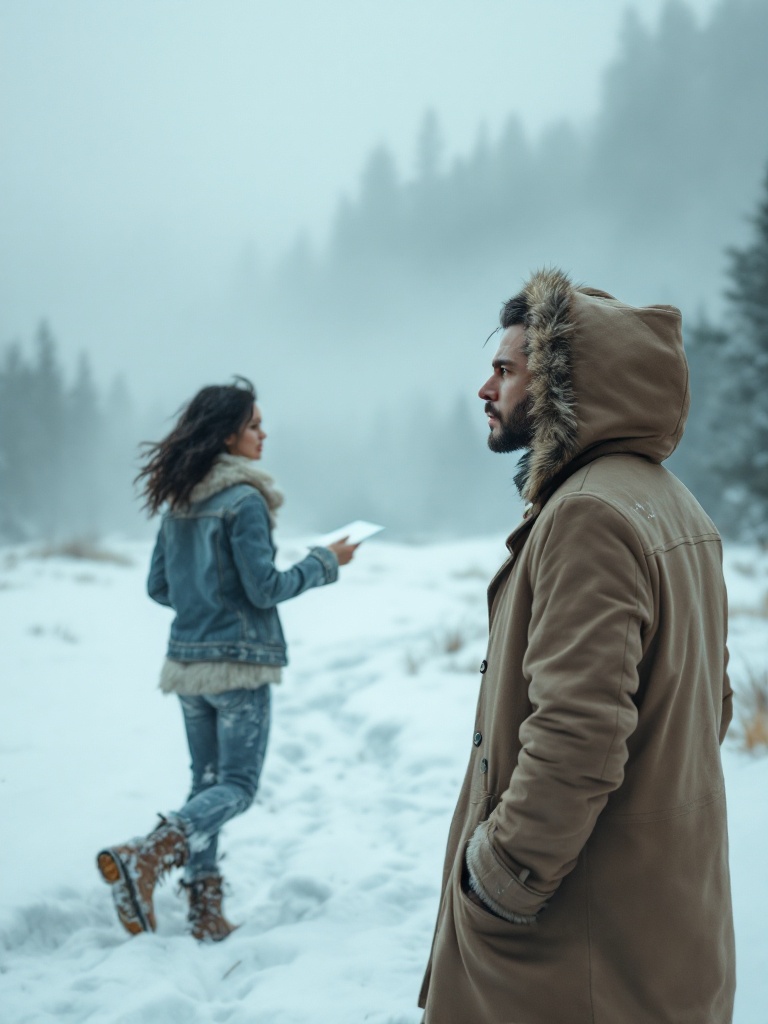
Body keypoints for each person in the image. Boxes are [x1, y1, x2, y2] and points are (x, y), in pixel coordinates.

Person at [419, 269, 735, 1024]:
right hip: (658, 918)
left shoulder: (589, 516)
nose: (484, 390)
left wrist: (502, 876)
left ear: (562, 387)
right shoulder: (668, 501)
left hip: (576, 945)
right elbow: (710, 709)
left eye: (505, 370)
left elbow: (580, 732)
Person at [96, 378, 357, 942]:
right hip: (239, 668)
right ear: (228, 434)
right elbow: (265, 588)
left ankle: (204, 910)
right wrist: (325, 561)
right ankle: (148, 854)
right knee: (235, 787)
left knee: (206, 782)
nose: (264, 434)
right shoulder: (245, 500)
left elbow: (159, 587)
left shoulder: (180, 499)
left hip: (189, 666)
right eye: (254, 425)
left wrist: (203, 603)